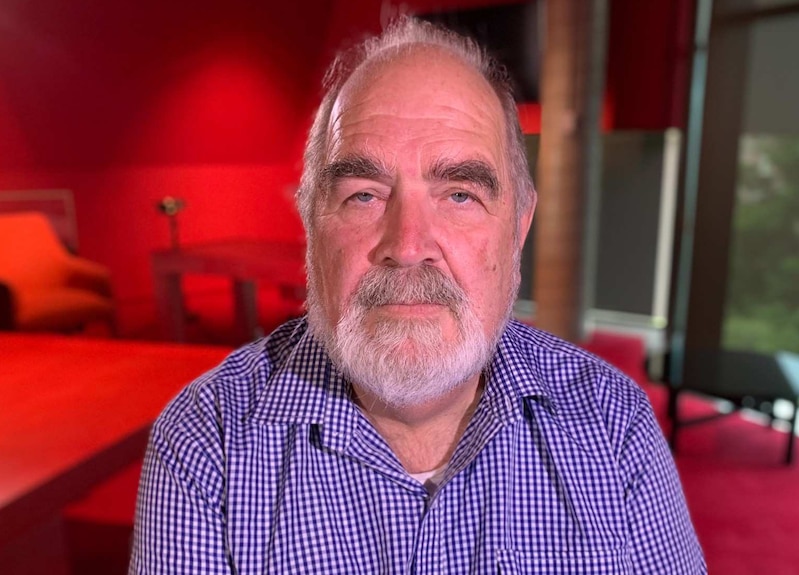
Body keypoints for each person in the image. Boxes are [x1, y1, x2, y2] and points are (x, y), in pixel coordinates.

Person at [131, 17, 705, 574]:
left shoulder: (613, 425)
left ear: (518, 227)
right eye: (363, 195)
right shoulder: (209, 443)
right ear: (312, 222)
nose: (407, 246)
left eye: (459, 195)